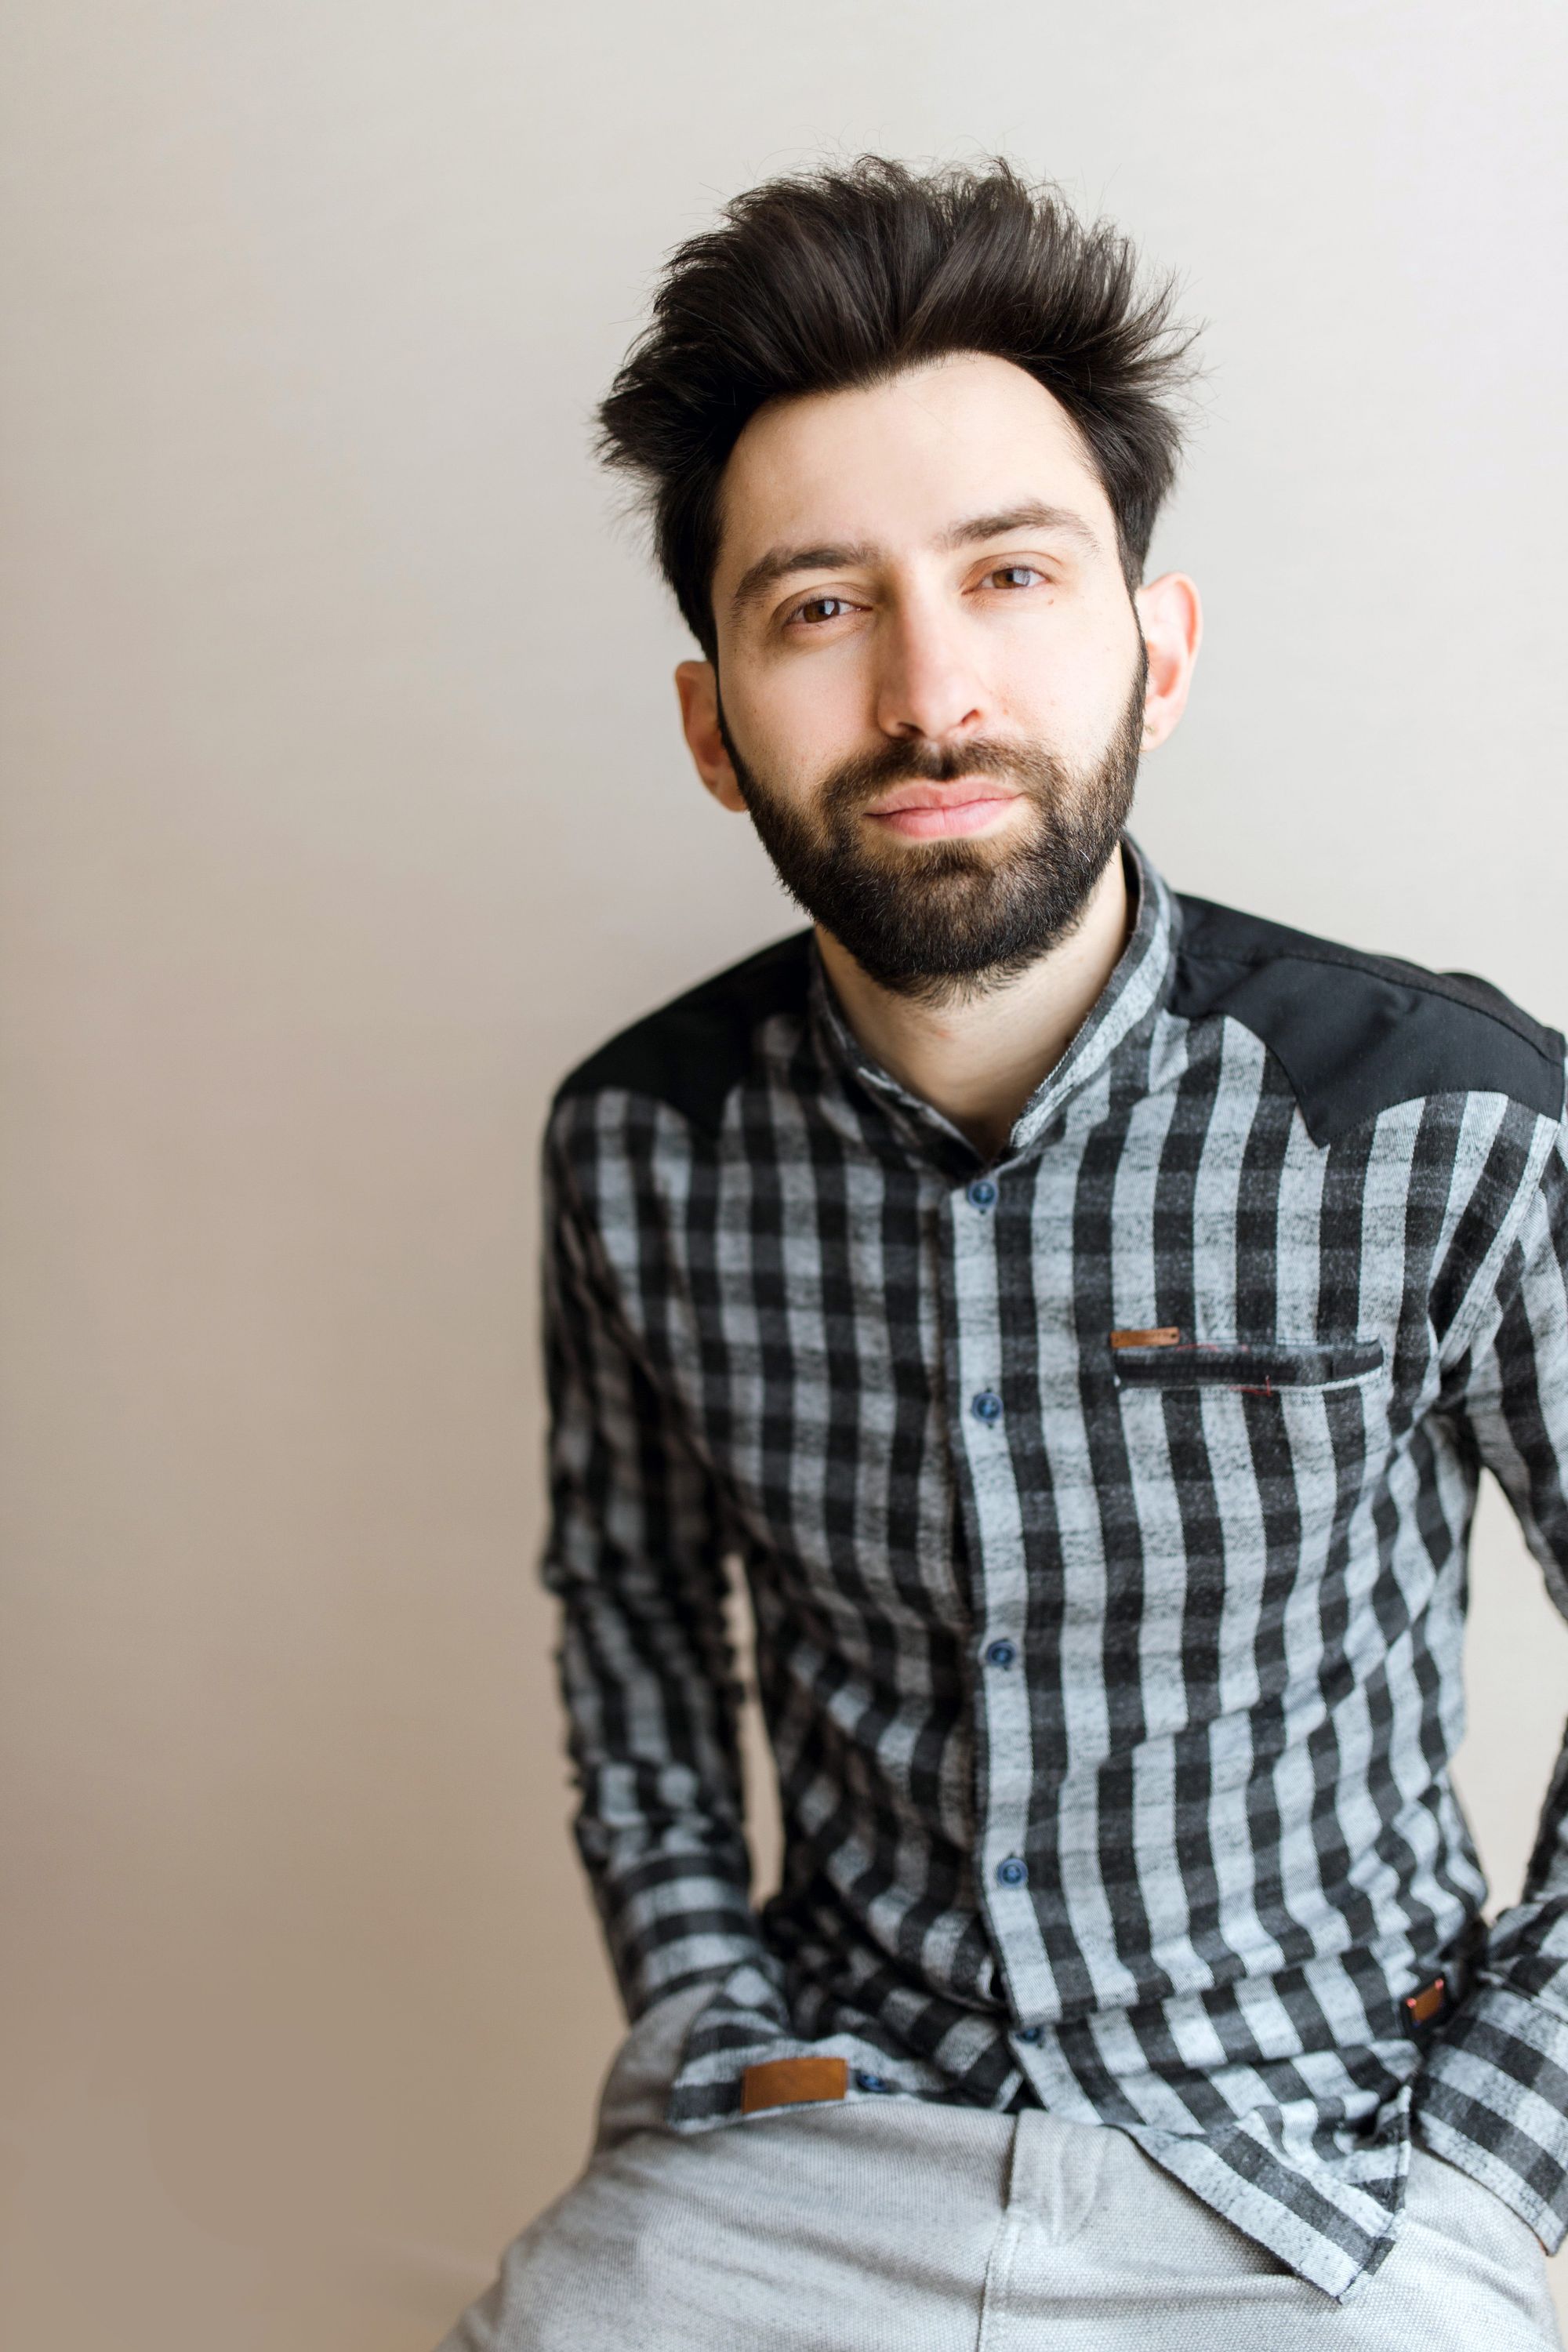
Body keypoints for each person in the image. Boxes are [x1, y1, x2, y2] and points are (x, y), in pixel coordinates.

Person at [434, 156, 1568, 2348]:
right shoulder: (638, 1150)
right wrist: (701, 2040)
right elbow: (636, 1625)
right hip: (820, 2147)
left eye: (1013, 575)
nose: (930, 691)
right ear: (712, 723)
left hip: (1317, 2166)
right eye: (817, 605)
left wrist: (1486, 2173)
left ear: (1157, 643)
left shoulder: (1450, 1124)